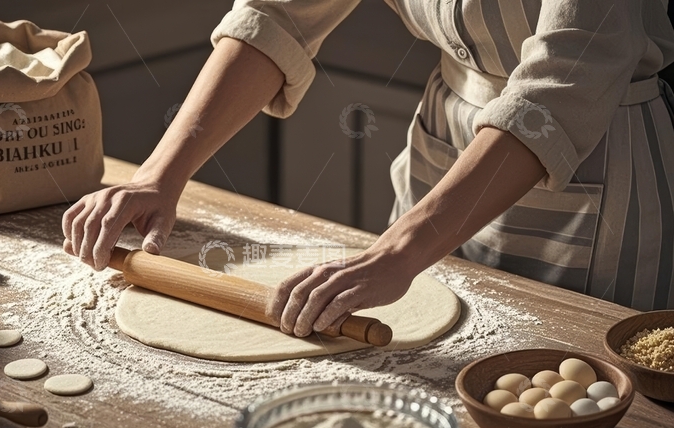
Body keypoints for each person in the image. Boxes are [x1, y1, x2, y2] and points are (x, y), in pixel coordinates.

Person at [63, 0, 674, 339]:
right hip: (447, 138)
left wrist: (399, 252)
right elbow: (278, 15)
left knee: (564, 386)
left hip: (592, 163)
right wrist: (160, 174)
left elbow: (563, 83)